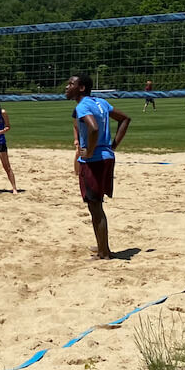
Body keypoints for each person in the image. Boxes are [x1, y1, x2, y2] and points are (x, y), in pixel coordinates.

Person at [66, 73, 131, 260]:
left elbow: (93, 128)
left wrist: (90, 150)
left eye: (71, 84)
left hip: (94, 160)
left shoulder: (83, 106)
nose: (67, 87)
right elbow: (125, 119)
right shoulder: (101, 102)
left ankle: (104, 253)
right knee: (97, 204)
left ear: (81, 88)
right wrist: (113, 146)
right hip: (107, 157)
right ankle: (102, 245)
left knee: (95, 206)